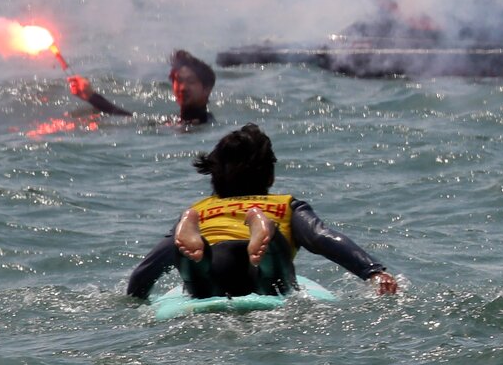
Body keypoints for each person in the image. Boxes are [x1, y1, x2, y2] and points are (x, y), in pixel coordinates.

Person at [126, 123, 398, 299]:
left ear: (213, 176)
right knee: (273, 277)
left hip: (216, 262)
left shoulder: (200, 211)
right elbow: (321, 238)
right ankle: (267, 236)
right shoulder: (284, 206)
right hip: (258, 274)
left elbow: (147, 269)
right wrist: (372, 272)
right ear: (270, 178)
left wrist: (136, 297)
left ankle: (196, 259)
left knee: (197, 275)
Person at [68, 49, 215, 125]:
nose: (183, 87)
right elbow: (130, 119)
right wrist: (91, 96)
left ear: (207, 89)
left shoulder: (202, 125)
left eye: (191, 81)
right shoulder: (175, 122)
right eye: (179, 81)